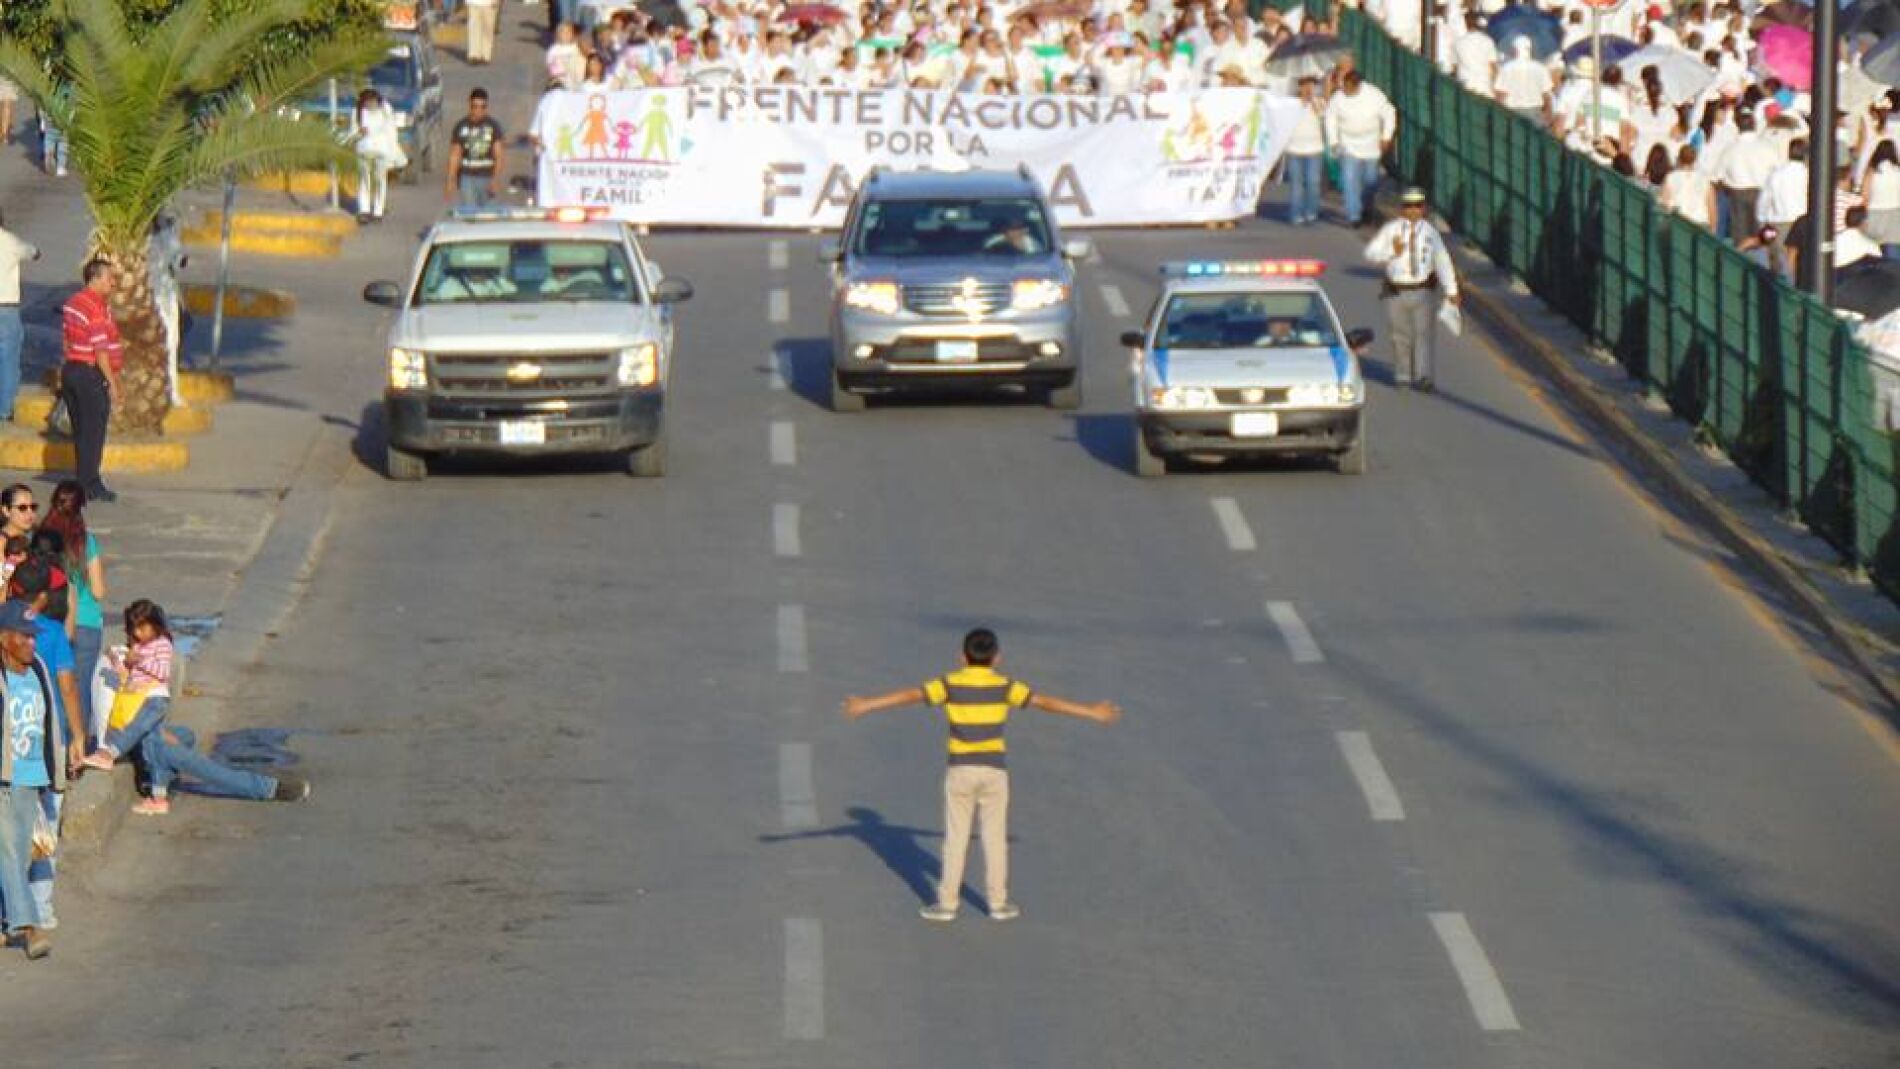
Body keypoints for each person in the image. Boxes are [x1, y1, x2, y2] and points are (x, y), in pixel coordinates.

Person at [841, 628, 1119, 923]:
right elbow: (1044, 702)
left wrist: (866, 705)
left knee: (956, 837)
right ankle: (998, 904)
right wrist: (1091, 712)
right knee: (995, 838)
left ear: (962, 657)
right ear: (997, 658)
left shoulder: (949, 684)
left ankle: (947, 905)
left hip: (960, 770)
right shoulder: (1005, 686)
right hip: (994, 771)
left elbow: (912, 695)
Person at [8, 560, 86, 934]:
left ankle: (19, 910)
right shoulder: (52, 633)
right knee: (38, 835)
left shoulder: (21, 639)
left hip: (26, 756)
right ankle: (35, 911)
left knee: (21, 838)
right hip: (31, 759)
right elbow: (68, 688)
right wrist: (79, 736)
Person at [0, 600, 70, 960]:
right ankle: (29, 927)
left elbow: (51, 722)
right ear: (4, 638)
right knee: (10, 852)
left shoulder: (39, 668)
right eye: (24, 637)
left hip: (32, 777)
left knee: (21, 853)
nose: (31, 643)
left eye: (32, 637)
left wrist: (57, 772)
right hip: (4, 780)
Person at [1364, 187, 1460, 391]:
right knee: (1400, 334)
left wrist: (1451, 290)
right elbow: (1372, 253)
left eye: (1418, 206)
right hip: (1396, 290)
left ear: (1423, 209)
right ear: (1403, 209)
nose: (1414, 210)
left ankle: (1423, 375)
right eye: (1409, 206)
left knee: (1423, 334)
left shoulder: (1429, 233)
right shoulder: (1392, 230)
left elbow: (1442, 260)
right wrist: (1391, 251)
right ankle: (1403, 375)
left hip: (1422, 289)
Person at [39, 481, 105, 736]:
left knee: (54, 686)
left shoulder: (41, 538)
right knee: (80, 688)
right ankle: (77, 753)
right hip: (87, 622)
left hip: (52, 620)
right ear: (81, 508)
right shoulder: (87, 541)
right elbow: (99, 591)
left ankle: (57, 745)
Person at [82, 599, 174, 784]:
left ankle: (109, 754)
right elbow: (128, 674)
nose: (138, 633)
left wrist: (138, 660)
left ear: (154, 624)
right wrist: (119, 661)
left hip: (154, 698)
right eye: (135, 629)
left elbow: (162, 672)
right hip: (136, 698)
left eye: (142, 628)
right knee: (150, 745)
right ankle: (156, 789)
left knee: (135, 730)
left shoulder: (162, 644)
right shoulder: (139, 645)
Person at [59, 258, 123, 504]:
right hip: (89, 374)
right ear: (93, 279)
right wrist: (113, 384)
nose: (113, 283)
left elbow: (66, 341)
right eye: (109, 278)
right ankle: (90, 485)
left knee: (81, 432)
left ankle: (84, 481)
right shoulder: (94, 307)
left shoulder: (72, 303)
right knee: (93, 433)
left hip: (72, 370)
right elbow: (101, 350)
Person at [1324, 70, 1397, 227]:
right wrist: (1333, 141)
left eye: (1349, 87)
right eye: (1344, 86)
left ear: (1357, 85)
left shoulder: (1374, 95)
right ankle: (1353, 215)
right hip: (1348, 145)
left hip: (1371, 146)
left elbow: (1389, 113)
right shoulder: (1338, 99)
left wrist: (1386, 136)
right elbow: (1330, 118)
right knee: (1350, 180)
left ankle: (1366, 207)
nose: (1346, 90)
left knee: (1370, 181)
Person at [0, 212, 40, 423]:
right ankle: (4, 410)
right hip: (6, 310)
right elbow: (33, 252)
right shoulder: (9, 241)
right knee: (8, 362)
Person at [446, 89, 505, 209]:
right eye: (475, 106)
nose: (478, 110)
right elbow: (455, 156)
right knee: (470, 216)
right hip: (467, 178)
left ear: (486, 107)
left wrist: (495, 179)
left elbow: (499, 156)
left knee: (488, 217)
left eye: (482, 107)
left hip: (487, 177)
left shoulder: (493, 126)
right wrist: (450, 181)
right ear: (469, 105)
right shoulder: (461, 126)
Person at [352, 89, 404, 224]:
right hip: (363, 150)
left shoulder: (386, 109)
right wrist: (359, 132)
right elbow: (352, 133)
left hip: (382, 150)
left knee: (380, 180)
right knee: (364, 179)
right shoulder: (357, 112)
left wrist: (393, 154)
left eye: (372, 102)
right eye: (367, 103)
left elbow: (391, 132)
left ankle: (377, 211)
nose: (370, 105)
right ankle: (364, 210)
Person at [1279, 75, 1325, 226]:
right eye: (1304, 85)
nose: (1307, 88)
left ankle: (1311, 211)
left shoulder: (1318, 102)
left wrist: (1312, 101)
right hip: (1294, 149)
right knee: (1296, 184)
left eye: (1310, 85)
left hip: (1314, 148)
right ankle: (1296, 214)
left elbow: (1322, 115)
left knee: (1313, 182)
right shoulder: (1290, 103)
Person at [465, 0, 500, 65]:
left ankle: (485, 55)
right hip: (473, 3)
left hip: (489, 3)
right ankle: (474, 55)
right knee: (474, 28)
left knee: (488, 30)